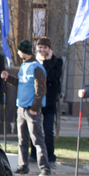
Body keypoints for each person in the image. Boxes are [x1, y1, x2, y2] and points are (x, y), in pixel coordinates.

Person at [1, 39, 51, 176]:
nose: (18, 53)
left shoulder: (37, 68)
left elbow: (40, 90)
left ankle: (45, 168)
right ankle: (22, 166)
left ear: (24, 51)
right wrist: (8, 78)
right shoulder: (24, 65)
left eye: (19, 51)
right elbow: (21, 84)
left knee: (37, 139)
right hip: (21, 107)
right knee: (22, 140)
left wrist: (35, 107)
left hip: (31, 109)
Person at [34, 37, 62, 166]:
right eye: (40, 47)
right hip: (36, 100)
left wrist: (48, 62)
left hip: (49, 101)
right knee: (34, 129)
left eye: (45, 47)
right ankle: (33, 155)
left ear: (49, 49)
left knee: (48, 129)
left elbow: (52, 77)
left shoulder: (57, 61)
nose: (42, 50)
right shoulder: (34, 61)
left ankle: (50, 156)